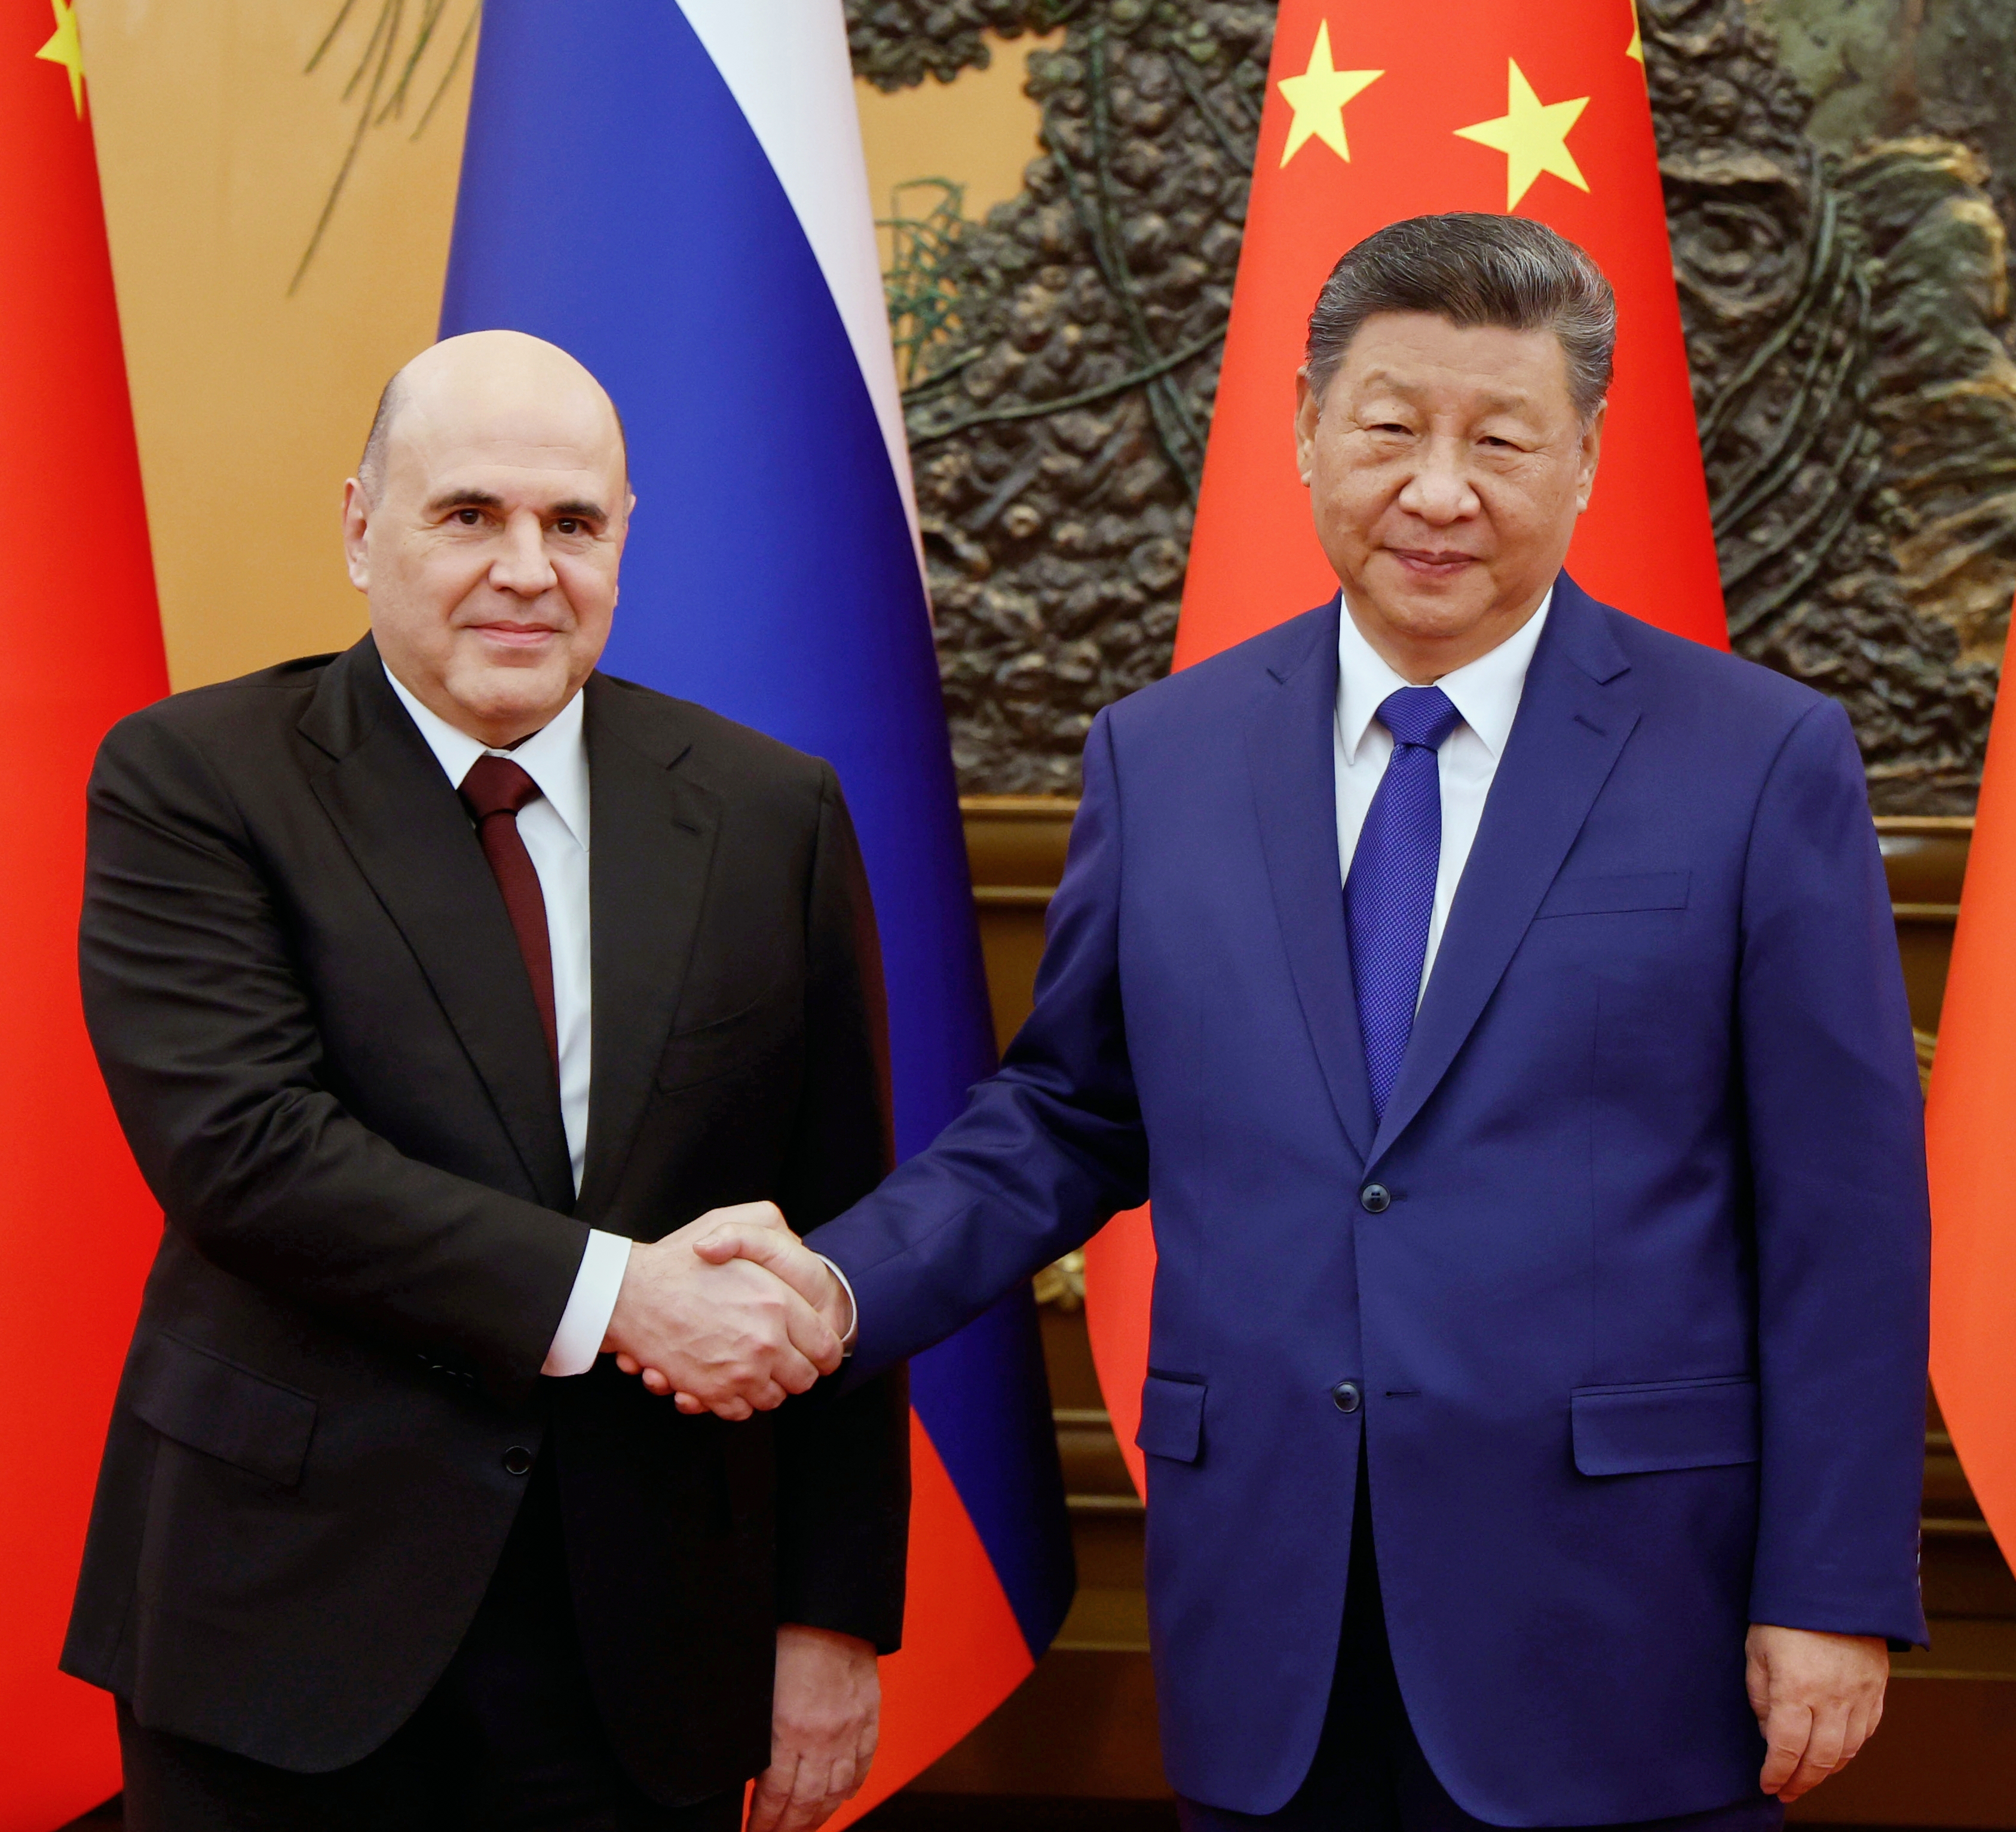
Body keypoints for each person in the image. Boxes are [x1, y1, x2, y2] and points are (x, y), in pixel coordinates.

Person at [658, 215, 1931, 1828]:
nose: (1438, 488)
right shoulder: (1161, 756)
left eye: (1498, 438)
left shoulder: (1754, 762)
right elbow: (1065, 1112)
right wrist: (839, 1286)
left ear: (1589, 455)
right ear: (1306, 430)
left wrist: (1827, 1585)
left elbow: (1842, 1213)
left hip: (1620, 1620)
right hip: (1270, 1609)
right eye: (1389, 427)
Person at [60, 330, 909, 1831]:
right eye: (469, 516)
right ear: (359, 526)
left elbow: (835, 1220)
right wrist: (623, 1296)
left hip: (645, 1648)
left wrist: (829, 1616)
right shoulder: (196, 780)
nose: (526, 568)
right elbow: (247, 1153)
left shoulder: (769, 813)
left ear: (622, 545)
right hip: (284, 1626)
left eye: (571, 524)